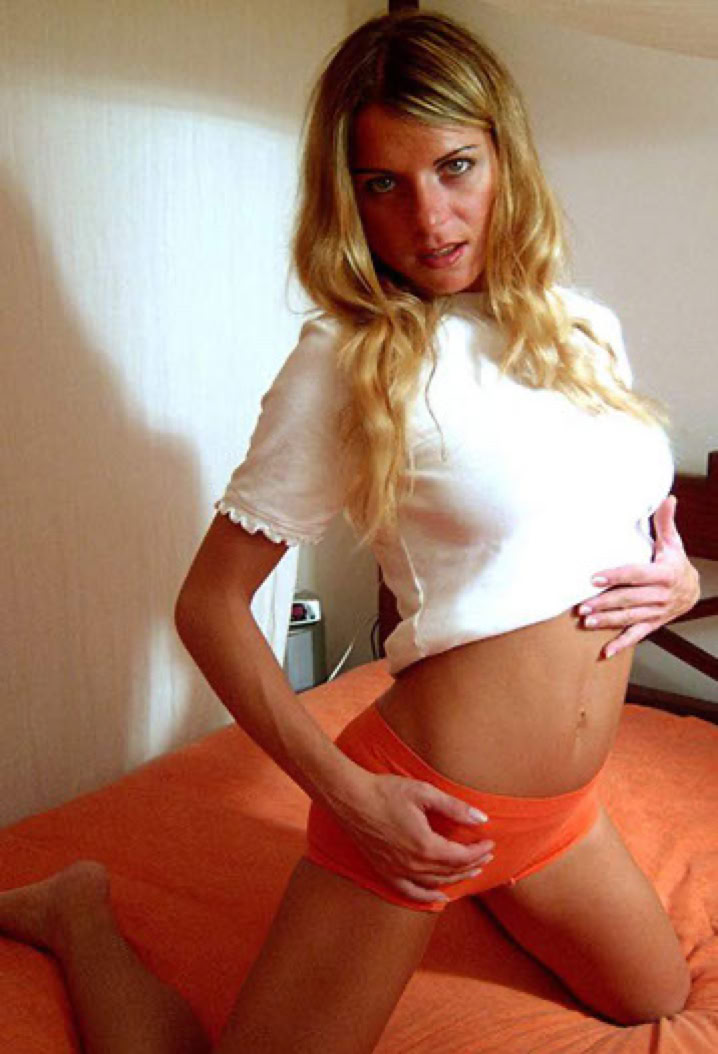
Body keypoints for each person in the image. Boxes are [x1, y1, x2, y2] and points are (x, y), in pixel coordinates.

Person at [0, 10, 701, 1053]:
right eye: (383, 184)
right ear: (349, 200)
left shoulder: (583, 329)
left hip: (564, 813)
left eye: (455, 167)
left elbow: (613, 508)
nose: (430, 217)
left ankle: (499, 886)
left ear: (504, 157)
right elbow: (208, 606)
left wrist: (676, 577)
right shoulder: (348, 360)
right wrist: (347, 793)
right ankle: (78, 912)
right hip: (421, 803)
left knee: (657, 998)